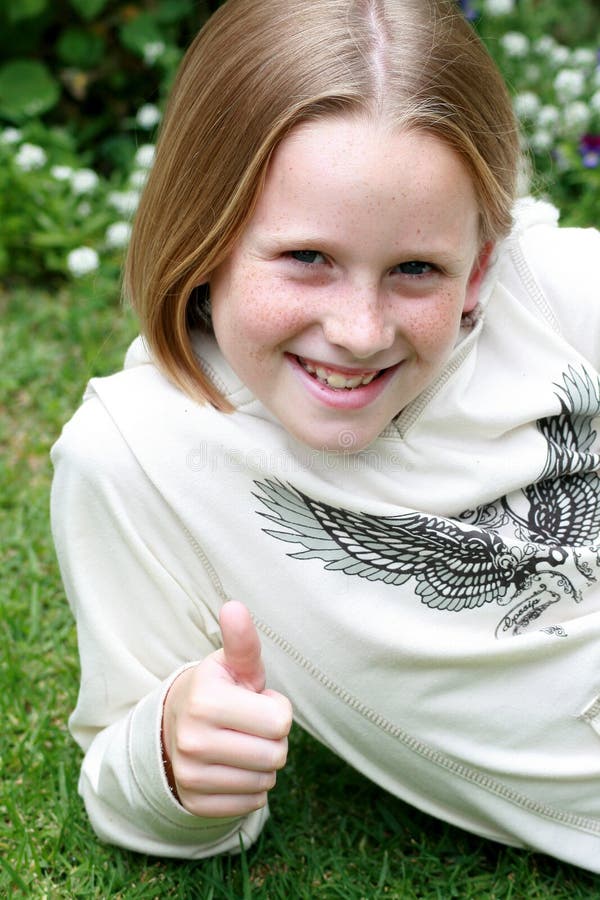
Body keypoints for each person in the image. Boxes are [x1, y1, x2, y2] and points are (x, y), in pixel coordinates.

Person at [50, 0, 600, 872]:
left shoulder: (560, 295)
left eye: (416, 268)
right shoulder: (143, 457)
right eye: (307, 258)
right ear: (206, 236)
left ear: (480, 263)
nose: (358, 329)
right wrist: (177, 757)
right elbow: (128, 775)